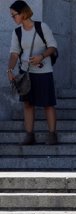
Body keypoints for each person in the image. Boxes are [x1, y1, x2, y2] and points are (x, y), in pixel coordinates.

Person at [7, 0, 58, 145]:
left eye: (14, 15)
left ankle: (52, 134)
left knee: (48, 103)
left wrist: (41, 56)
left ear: (23, 13)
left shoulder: (42, 27)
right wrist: (9, 69)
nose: (13, 18)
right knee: (28, 104)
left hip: (44, 71)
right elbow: (14, 53)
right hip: (26, 72)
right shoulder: (17, 32)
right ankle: (29, 135)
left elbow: (53, 46)